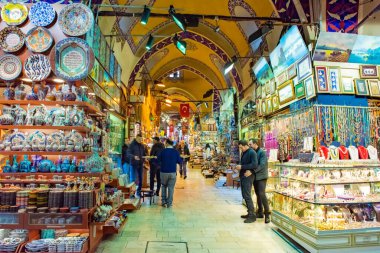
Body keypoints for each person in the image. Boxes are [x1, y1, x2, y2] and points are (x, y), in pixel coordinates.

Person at [236, 140, 258, 223]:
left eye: (241, 147)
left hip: (248, 176)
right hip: (243, 176)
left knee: (247, 195)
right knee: (244, 195)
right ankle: (249, 212)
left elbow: (255, 164)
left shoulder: (252, 153)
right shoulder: (244, 153)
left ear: (245, 145)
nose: (241, 149)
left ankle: (252, 216)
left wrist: (242, 167)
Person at [249, 139, 270, 223]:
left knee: (262, 194)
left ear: (255, 144)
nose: (249, 146)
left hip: (261, 176)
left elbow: (262, 164)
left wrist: (253, 171)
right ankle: (260, 212)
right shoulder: (253, 152)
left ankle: (267, 214)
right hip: (255, 177)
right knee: (258, 194)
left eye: (250, 144)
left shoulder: (262, 152)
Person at [158, 139, 182, 208]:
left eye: (165, 143)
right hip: (172, 172)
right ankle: (169, 203)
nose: (165, 144)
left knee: (163, 186)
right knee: (171, 188)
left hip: (163, 172)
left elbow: (158, 160)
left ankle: (163, 202)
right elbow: (179, 161)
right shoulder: (176, 152)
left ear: (167, 143)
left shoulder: (162, 151)